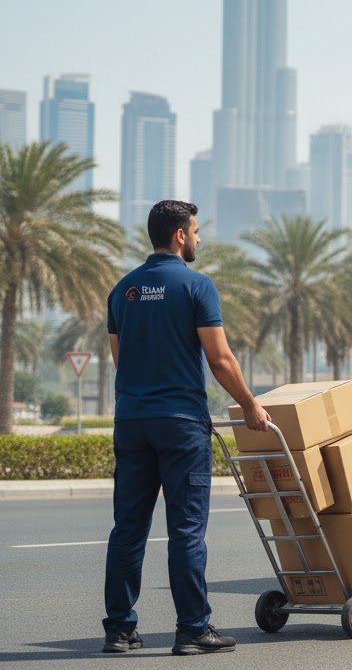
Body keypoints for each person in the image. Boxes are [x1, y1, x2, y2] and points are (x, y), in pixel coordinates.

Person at [102, 200, 271, 655]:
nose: (198, 238)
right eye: (195, 231)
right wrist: (251, 405)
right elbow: (219, 359)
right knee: (187, 530)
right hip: (179, 425)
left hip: (132, 422)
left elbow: (122, 361)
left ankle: (119, 630)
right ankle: (193, 629)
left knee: (128, 529)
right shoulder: (197, 286)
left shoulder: (123, 290)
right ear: (179, 235)